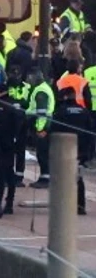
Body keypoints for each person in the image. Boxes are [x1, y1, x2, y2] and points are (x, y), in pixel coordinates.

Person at [47, 86, 92, 216]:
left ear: (65, 97)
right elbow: (90, 131)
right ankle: (80, 205)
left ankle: (63, 205)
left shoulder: (61, 111)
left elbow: (53, 130)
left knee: (62, 178)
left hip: (64, 150)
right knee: (78, 178)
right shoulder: (84, 112)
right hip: (81, 150)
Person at [0, 85, 24, 218]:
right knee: (9, 174)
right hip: (11, 144)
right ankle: (8, 203)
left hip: (3, 145)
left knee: (0, 175)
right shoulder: (15, 106)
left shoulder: (2, 108)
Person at [29, 68, 57, 189]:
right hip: (44, 126)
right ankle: (44, 176)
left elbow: (42, 112)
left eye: (30, 77)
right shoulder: (44, 88)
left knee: (42, 154)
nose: (29, 80)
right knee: (43, 154)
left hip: (42, 127)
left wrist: (42, 129)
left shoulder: (41, 91)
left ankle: (45, 178)